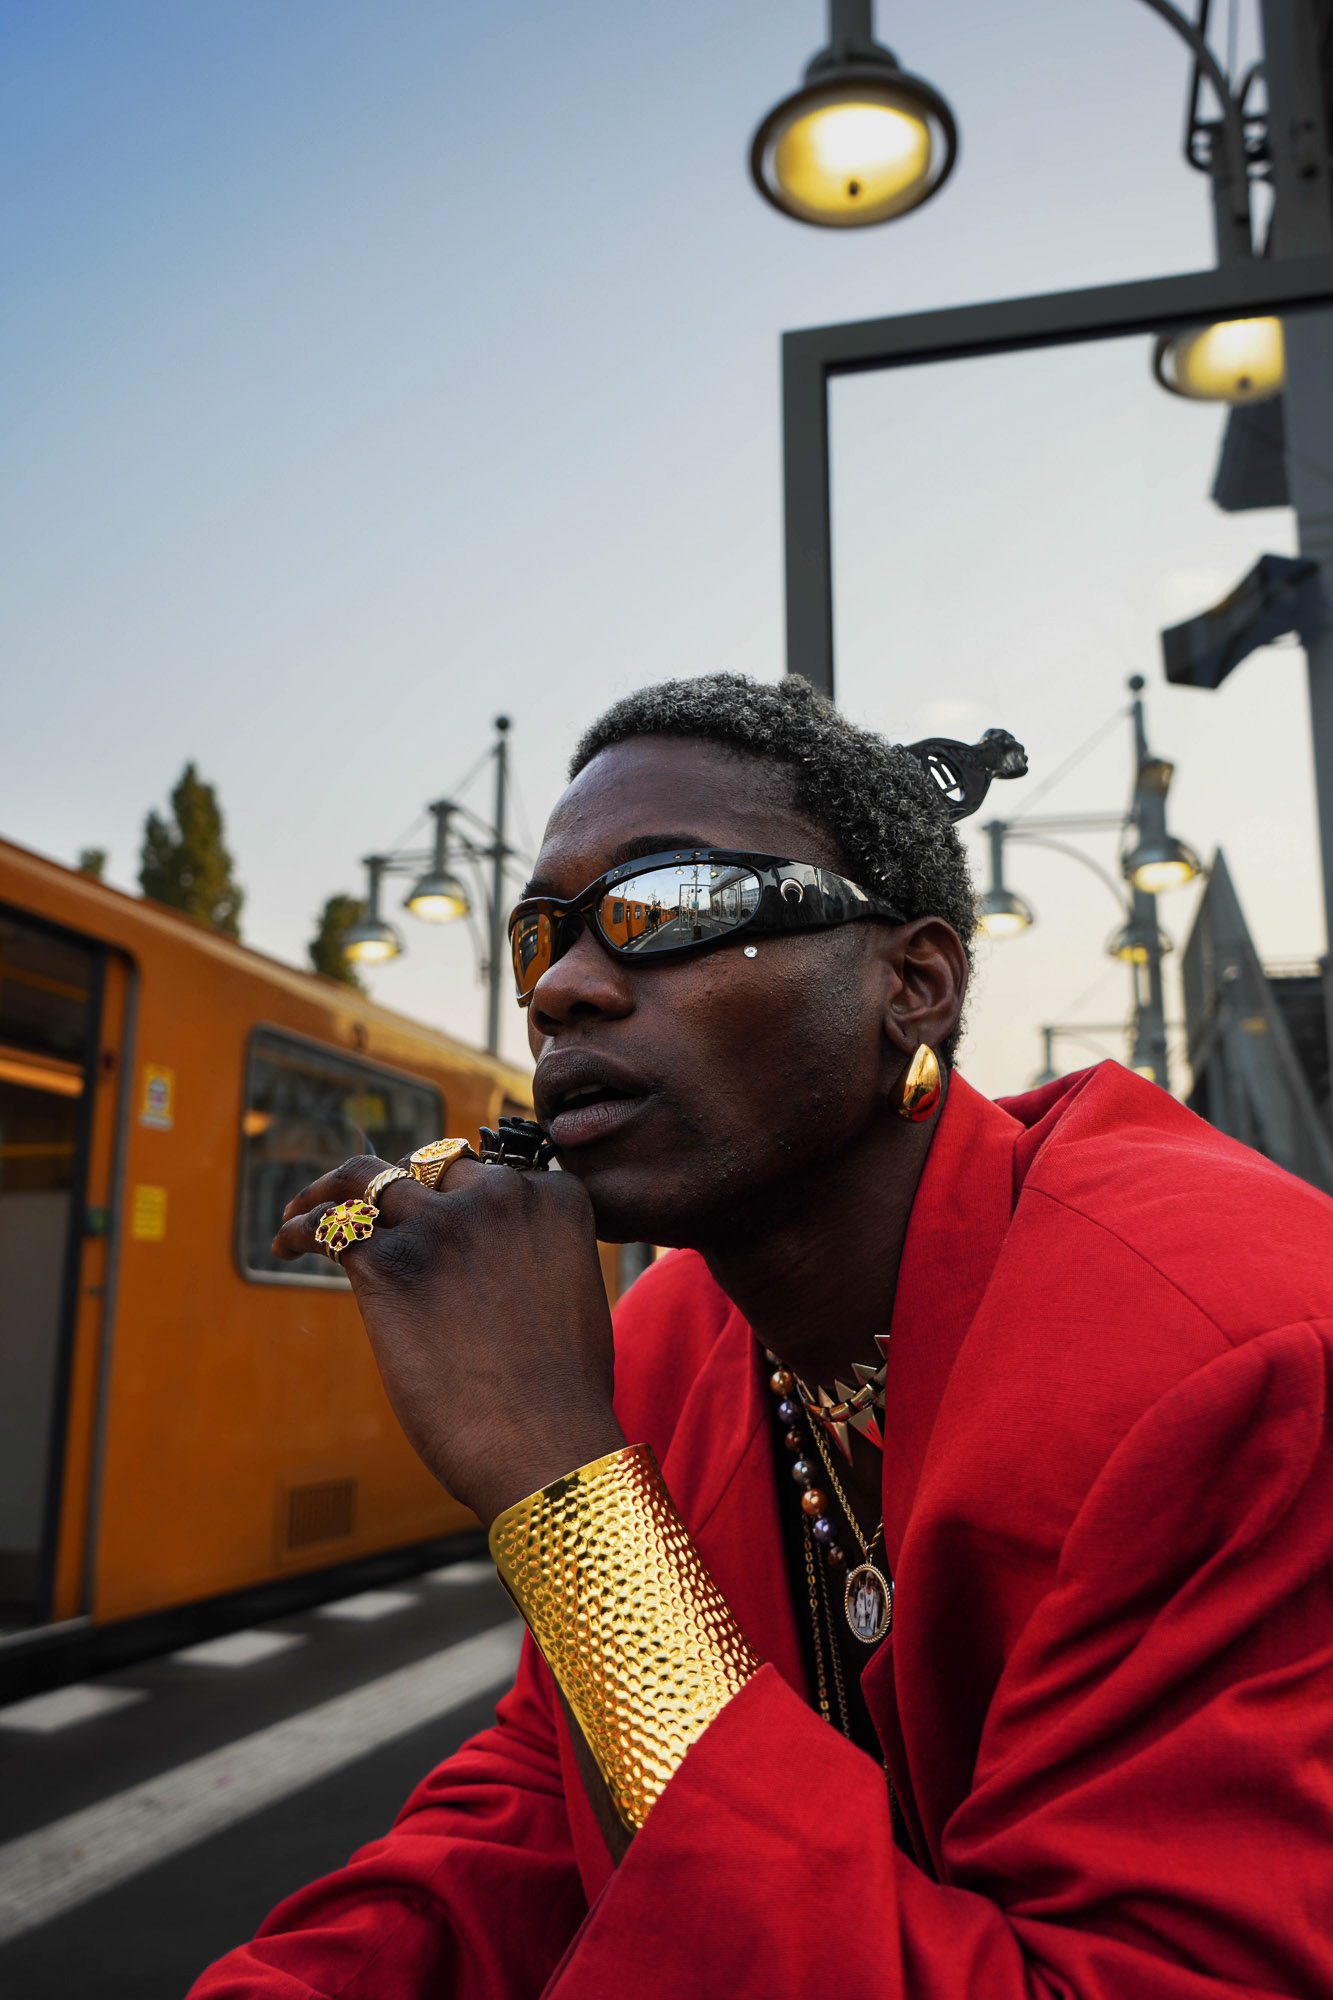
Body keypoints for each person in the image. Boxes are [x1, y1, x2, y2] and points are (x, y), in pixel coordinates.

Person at [194, 673, 1333, 2000]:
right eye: (538, 936)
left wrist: (560, 1490)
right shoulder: (667, 1336)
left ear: (913, 985)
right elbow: (544, 1799)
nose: (562, 988)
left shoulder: (1230, 1348)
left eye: (672, 905)